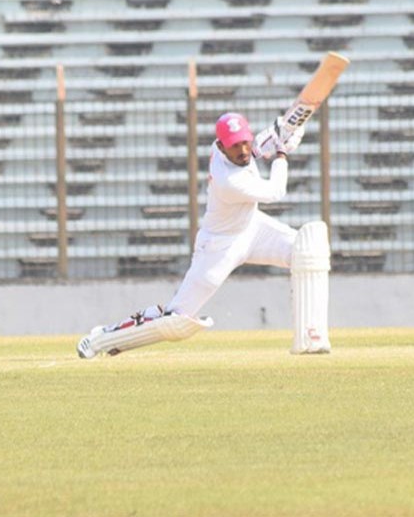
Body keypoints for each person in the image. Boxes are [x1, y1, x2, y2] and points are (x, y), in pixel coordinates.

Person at [77, 111, 331, 358]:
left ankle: (311, 339)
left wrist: (279, 132)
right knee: (176, 320)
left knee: (307, 250)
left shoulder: (231, 149)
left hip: (252, 228)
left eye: (245, 142)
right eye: (234, 146)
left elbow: (254, 152)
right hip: (219, 246)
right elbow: (275, 192)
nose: (242, 151)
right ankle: (102, 338)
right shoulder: (228, 180)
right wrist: (282, 151)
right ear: (221, 147)